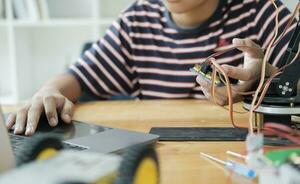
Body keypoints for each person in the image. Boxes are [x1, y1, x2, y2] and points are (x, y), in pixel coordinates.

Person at [6, 0, 296, 135]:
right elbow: (77, 76)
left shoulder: (261, 12)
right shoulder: (137, 20)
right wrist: (49, 92)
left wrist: (267, 79)